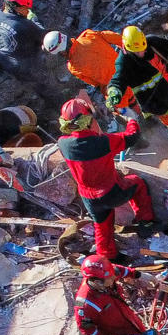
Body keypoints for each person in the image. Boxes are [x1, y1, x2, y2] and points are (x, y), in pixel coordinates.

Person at [58, 98, 152, 261]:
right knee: (137, 183)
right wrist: (132, 120)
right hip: (110, 192)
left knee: (102, 225)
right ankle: (146, 223)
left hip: (88, 198)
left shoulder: (63, 144)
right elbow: (132, 137)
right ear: (88, 121)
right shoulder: (104, 142)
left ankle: (106, 256)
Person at [73, 256, 168, 335]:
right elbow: (86, 328)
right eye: (110, 277)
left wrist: (139, 275)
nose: (114, 277)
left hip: (130, 320)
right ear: (97, 282)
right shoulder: (85, 304)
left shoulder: (106, 275)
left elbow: (118, 270)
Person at [107, 25, 168, 133]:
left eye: (143, 49)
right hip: (157, 102)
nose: (142, 53)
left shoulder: (151, 42)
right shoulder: (123, 63)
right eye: (137, 52)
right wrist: (114, 91)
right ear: (128, 49)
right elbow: (118, 79)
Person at [0, 0, 57, 100]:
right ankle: (52, 98)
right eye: (25, 8)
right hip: (25, 65)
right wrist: (34, 20)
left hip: (5, 60)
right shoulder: (23, 25)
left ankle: (41, 94)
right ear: (15, 7)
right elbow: (44, 37)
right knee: (40, 80)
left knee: (28, 80)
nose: (28, 10)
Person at [62, 28, 127, 96]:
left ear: (62, 51)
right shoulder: (87, 35)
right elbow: (113, 37)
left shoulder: (73, 67)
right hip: (125, 67)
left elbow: (95, 83)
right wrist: (126, 45)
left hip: (119, 87)